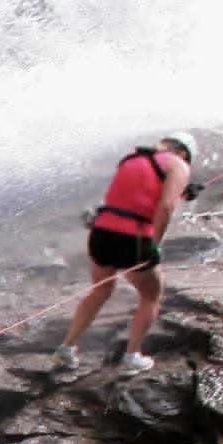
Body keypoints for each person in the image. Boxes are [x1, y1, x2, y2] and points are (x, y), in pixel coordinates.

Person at [55, 132, 198, 376]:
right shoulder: (178, 165)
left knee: (100, 289)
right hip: (134, 238)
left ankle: (66, 349)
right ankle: (132, 356)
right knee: (151, 295)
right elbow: (164, 207)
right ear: (184, 153)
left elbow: (136, 193)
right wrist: (155, 244)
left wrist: (184, 192)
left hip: (102, 233)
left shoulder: (133, 157)